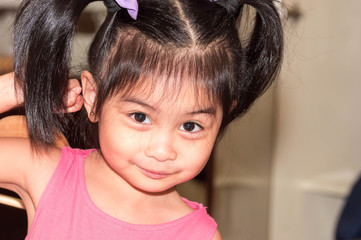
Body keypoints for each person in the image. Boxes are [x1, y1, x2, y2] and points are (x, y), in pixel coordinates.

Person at [0, 0, 283, 239]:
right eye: (140, 117)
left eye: (190, 126)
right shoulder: (45, 173)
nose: (162, 151)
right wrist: (21, 87)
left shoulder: (199, 235)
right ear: (93, 98)